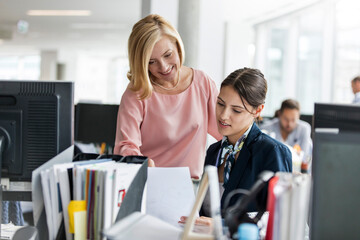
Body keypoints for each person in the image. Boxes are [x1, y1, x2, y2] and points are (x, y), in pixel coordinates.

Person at [114, 14, 222, 179]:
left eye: (167, 55)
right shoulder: (136, 93)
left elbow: (225, 131)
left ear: (177, 46)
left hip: (192, 187)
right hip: (151, 183)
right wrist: (139, 161)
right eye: (151, 62)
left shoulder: (202, 83)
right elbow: (126, 145)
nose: (163, 67)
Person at [179, 68, 292, 225]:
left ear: (258, 110)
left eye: (236, 110)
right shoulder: (214, 152)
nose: (223, 115)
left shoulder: (272, 152)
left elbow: (282, 218)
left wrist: (222, 225)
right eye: (220, 104)